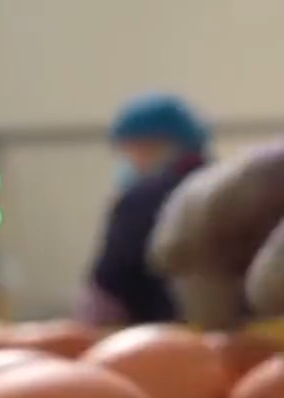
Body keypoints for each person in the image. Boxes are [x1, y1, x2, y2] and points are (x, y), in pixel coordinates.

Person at [76, 92, 211, 326]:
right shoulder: (223, 188)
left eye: (130, 150)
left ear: (152, 145)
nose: (128, 161)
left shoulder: (140, 200)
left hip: (154, 337)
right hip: (232, 337)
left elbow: (108, 290)